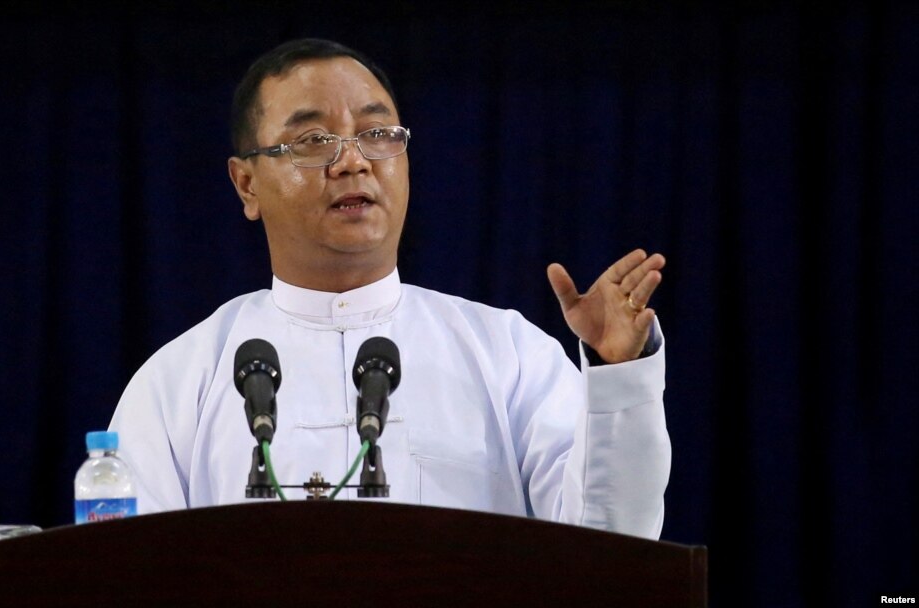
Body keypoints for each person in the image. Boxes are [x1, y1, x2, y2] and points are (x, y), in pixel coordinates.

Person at [108, 38, 670, 539]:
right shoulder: (178, 384)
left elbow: (610, 546)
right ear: (247, 183)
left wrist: (617, 374)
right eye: (312, 140)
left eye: (377, 134)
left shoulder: (508, 355)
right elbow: (124, 579)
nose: (353, 161)